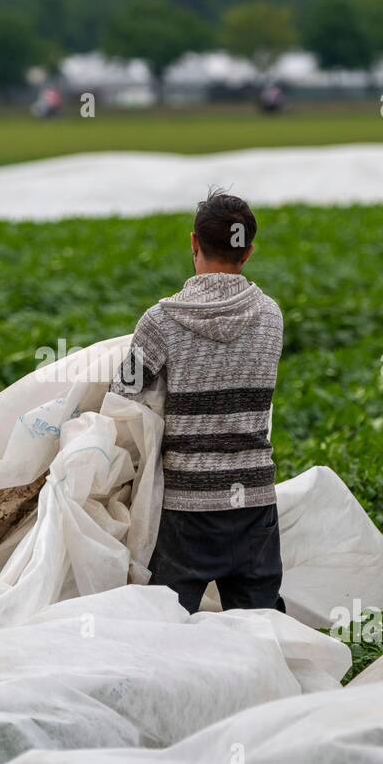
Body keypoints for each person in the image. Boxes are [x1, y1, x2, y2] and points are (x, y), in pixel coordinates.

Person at [110, 189, 285, 614]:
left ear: (193, 243)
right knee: (263, 635)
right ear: (249, 252)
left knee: (167, 633)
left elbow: (121, 399)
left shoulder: (161, 322)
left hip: (188, 509)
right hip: (255, 505)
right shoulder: (270, 315)